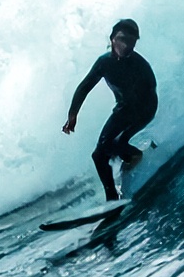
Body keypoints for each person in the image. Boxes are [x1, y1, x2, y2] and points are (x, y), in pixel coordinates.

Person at [63, 18, 158, 202]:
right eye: (122, 38)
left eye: (131, 40)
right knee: (98, 155)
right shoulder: (104, 63)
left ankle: (134, 155)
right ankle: (112, 197)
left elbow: (150, 97)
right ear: (112, 38)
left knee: (114, 144)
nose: (126, 44)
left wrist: (122, 137)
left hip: (144, 110)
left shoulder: (140, 66)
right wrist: (72, 115)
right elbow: (84, 87)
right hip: (123, 110)